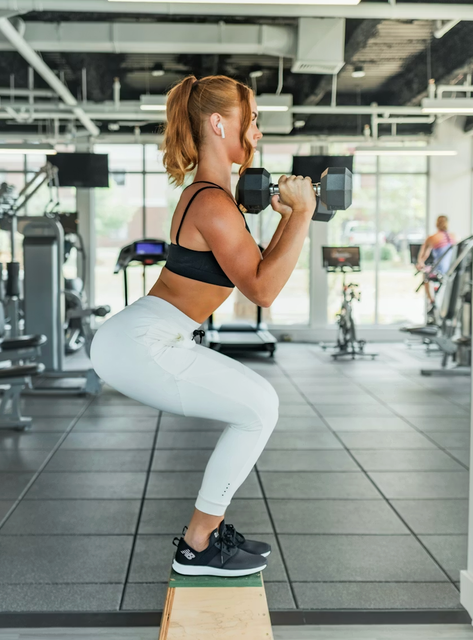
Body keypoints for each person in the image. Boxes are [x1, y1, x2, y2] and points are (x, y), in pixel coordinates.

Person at [88, 75, 316, 578]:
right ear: (219, 123)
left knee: (257, 405)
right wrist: (302, 216)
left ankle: (202, 539)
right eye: (250, 118)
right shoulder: (212, 201)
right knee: (259, 406)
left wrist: (288, 217)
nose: (256, 131)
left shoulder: (215, 197)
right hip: (142, 343)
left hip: (148, 336)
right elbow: (263, 290)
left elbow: (257, 268)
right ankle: (198, 544)